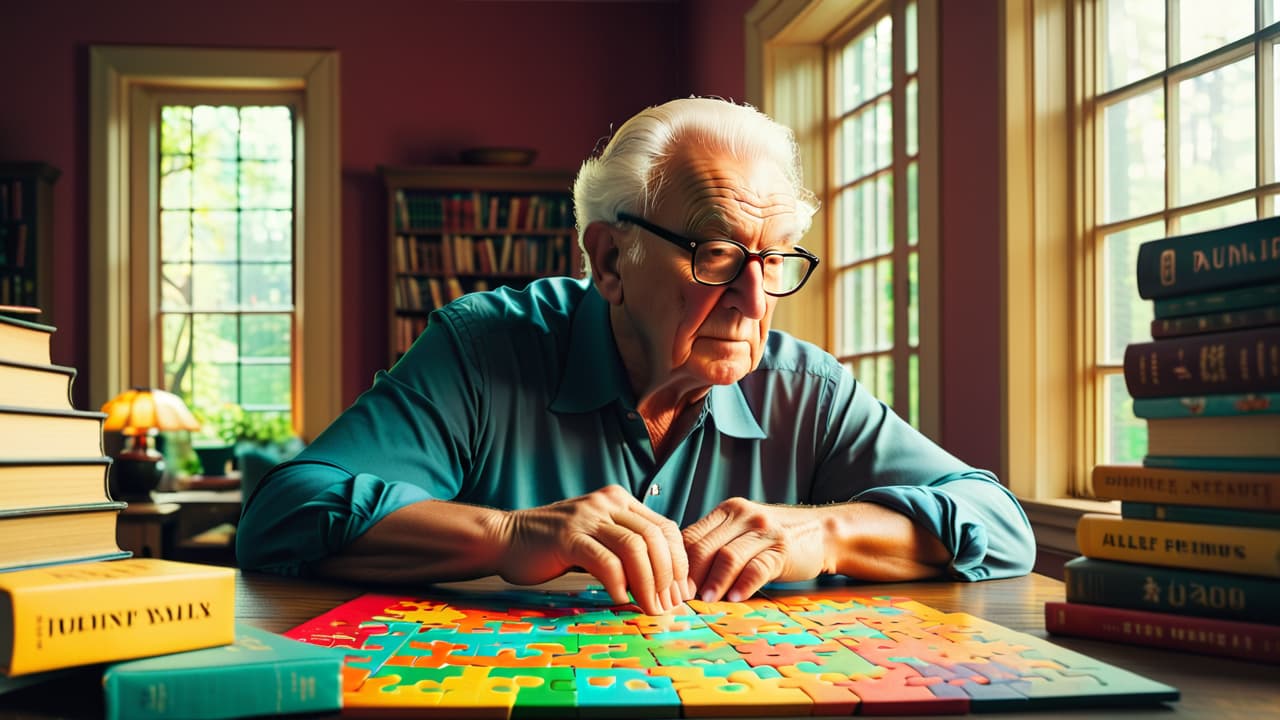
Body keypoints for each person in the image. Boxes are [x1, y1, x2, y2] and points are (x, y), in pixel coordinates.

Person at [236, 97, 1035, 615]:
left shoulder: (806, 389)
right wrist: (508, 534)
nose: (754, 301)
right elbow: (282, 515)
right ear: (611, 261)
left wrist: (824, 534)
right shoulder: (484, 349)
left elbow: (1000, 524)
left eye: (775, 259)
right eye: (717, 255)